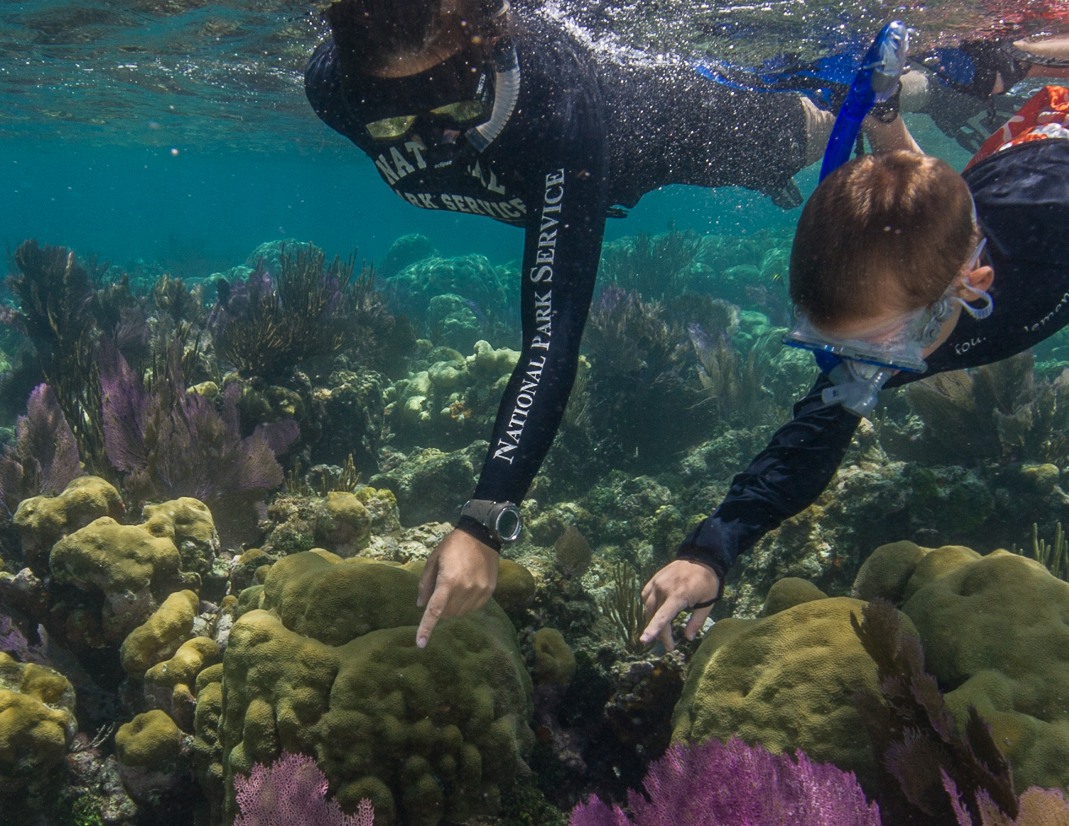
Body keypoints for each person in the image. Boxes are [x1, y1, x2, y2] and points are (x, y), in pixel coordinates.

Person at [633, 28, 1069, 648]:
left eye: (883, 342)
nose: (865, 368)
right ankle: (898, 104)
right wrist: (710, 552)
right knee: (945, 196)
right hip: (991, 173)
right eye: (839, 342)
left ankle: (1014, 60)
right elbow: (806, 446)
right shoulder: (890, 328)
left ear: (974, 286)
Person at [305, 0, 839, 645]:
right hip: (564, 159)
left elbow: (552, 333)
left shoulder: (554, 100)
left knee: (811, 132)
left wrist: (484, 518)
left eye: (451, 97)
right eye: (390, 110)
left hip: (655, 129)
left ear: (492, 47)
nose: (431, 132)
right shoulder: (331, 90)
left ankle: (921, 80)